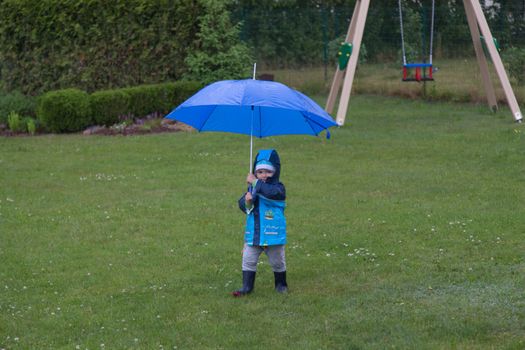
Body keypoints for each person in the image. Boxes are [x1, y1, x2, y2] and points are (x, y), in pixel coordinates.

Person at [232, 149, 288, 297]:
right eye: (260, 172)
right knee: (248, 260)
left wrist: (255, 182)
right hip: (254, 234)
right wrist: (247, 201)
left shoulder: (278, 188)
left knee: (277, 262)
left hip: (273, 233)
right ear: (255, 172)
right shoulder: (253, 189)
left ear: (275, 173)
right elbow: (245, 208)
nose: (264, 175)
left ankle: (281, 284)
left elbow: (271, 193)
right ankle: (247, 287)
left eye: (268, 172)